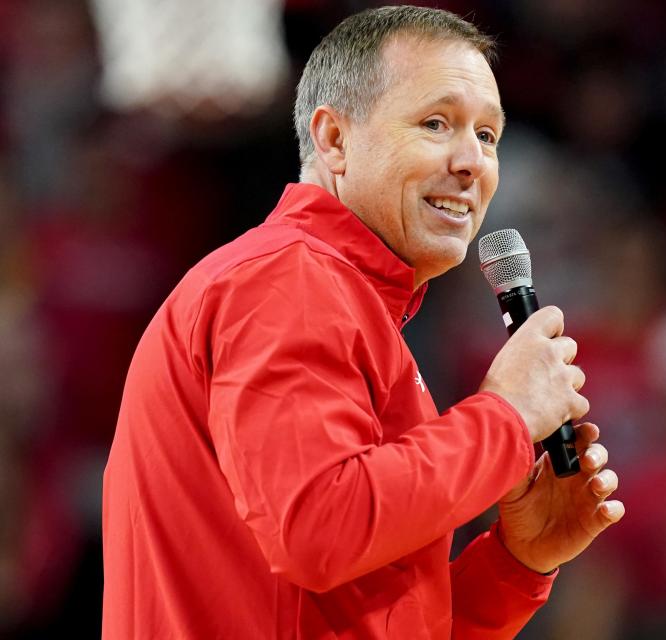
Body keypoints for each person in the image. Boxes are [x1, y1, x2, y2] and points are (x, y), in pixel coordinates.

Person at [101, 6, 623, 639]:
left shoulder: (340, 300)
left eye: (488, 136)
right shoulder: (284, 282)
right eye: (437, 123)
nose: (472, 162)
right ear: (334, 140)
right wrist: (506, 418)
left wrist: (517, 564)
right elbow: (317, 532)